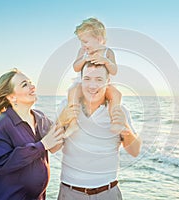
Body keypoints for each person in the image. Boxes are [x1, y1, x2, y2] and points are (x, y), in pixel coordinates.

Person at [57, 62, 142, 200]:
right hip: (71, 192)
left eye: (99, 80)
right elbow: (53, 147)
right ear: (81, 80)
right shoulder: (66, 107)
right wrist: (61, 121)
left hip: (108, 192)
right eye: (87, 79)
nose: (92, 85)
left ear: (107, 82)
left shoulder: (119, 111)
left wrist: (125, 126)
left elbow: (135, 151)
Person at [0, 69, 66, 200]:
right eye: (24, 84)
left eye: (30, 82)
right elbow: (1, 163)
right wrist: (41, 145)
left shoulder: (40, 117)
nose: (32, 87)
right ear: (11, 97)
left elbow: (56, 143)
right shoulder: (2, 124)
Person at [58, 17, 123, 137]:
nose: (83, 45)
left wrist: (106, 61)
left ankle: (115, 121)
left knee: (116, 94)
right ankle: (73, 123)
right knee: (73, 92)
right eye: (81, 41)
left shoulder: (107, 52)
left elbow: (114, 71)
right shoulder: (83, 52)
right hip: (84, 84)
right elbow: (76, 67)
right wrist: (84, 59)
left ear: (99, 39)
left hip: (103, 85)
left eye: (85, 41)